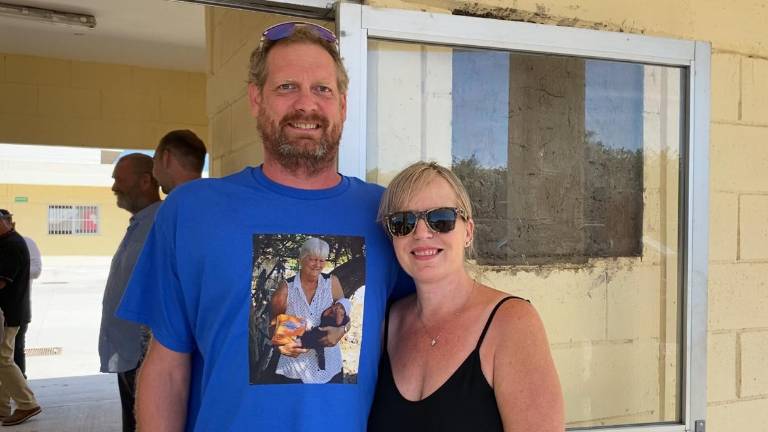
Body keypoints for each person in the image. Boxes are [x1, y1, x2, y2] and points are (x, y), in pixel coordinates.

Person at [116, 21, 409, 431]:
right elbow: (166, 368)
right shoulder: (191, 211)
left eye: (322, 89)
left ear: (342, 104)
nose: (306, 104)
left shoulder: (387, 213)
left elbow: (428, 330)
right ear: (256, 99)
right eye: (286, 87)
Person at [368, 162, 564, 431]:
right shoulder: (388, 323)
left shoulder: (512, 324)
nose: (422, 233)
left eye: (441, 219)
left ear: (468, 231)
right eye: (403, 222)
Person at [98, 154, 161, 432]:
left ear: (145, 181)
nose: (114, 186)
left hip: (145, 355)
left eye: (119, 179)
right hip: (128, 354)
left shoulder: (161, 223)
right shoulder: (140, 223)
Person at [269, 237, 347, 383]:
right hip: (294, 371)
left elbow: (345, 315)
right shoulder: (285, 290)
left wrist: (342, 330)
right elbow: (273, 326)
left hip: (331, 368)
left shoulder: (332, 283)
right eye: (312, 259)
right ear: (301, 259)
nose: (318, 265)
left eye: (322, 260)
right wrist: (281, 346)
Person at [0, 209, 41, 426]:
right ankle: (3, 407)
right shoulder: (6, 242)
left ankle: (27, 403)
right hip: (10, 312)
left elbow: (2, 281)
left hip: (9, 313)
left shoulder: (13, 246)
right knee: (4, 359)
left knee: (4, 360)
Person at [3, 212, 42, 377]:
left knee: (16, 350)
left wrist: (16, 272)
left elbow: (36, 270)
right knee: (5, 358)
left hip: (18, 305)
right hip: (4, 308)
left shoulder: (23, 243)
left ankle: (24, 394)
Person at [152, 129, 207, 194]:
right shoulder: (216, 197)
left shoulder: (172, 203)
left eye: (155, 160)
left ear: (166, 158)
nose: (153, 174)